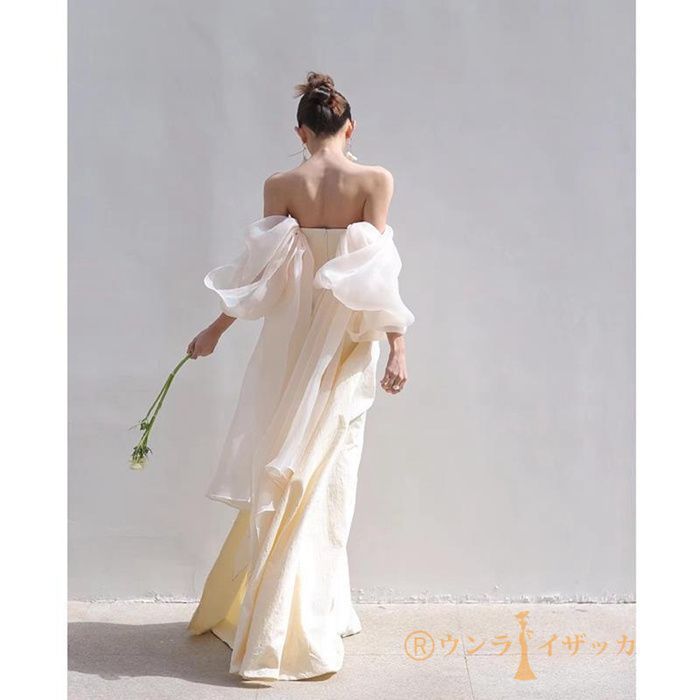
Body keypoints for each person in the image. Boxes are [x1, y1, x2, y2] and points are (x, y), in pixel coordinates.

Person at [185, 72, 415, 681]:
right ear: (350, 126)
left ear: (300, 132)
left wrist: (215, 329)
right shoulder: (375, 180)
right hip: (346, 340)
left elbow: (263, 275)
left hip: (292, 341)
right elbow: (377, 273)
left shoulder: (281, 185)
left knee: (290, 467)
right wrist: (397, 346)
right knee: (328, 473)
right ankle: (301, 619)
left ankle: (310, 607)